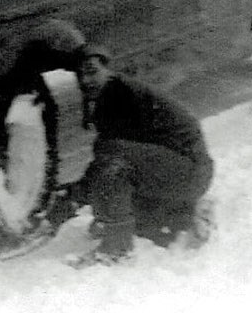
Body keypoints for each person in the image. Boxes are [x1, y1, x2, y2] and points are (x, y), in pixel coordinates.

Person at [68, 44, 215, 267]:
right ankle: (183, 215)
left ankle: (117, 250)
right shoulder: (108, 96)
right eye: (80, 75)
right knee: (143, 224)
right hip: (173, 170)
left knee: (112, 161)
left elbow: (112, 162)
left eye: (92, 71)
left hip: (188, 171)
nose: (86, 80)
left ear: (108, 69)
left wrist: (73, 201)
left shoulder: (124, 94)